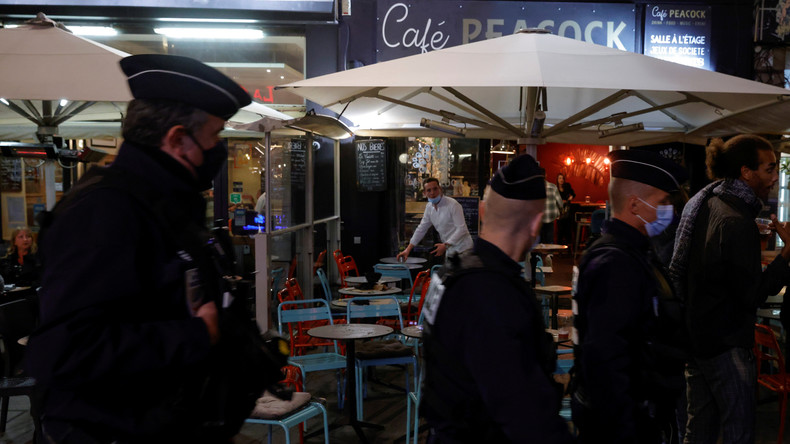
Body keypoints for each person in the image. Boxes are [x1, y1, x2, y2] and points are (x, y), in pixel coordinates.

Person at [25, 54, 268, 443]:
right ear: (176, 139)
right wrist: (196, 334)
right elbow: (63, 351)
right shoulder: (104, 210)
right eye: (214, 136)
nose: (218, 150)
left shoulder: (162, 202)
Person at [421, 154, 574, 443]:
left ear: (481, 210)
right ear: (536, 224)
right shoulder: (493, 294)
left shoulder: (453, 273)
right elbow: (523, 414)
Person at [669, 134, 790, 444]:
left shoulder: (708, 202)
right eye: (769, 169)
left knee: (698, 432)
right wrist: (787, 254)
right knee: (738, 433)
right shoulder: (737, 221)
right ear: (746, 172)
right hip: (727, 345)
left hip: (698, 339)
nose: (775, 178)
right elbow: (752, 295)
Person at [572, 149, 689, 444]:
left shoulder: (630, 253)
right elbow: (606, 358)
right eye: (663, 203)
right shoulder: (616, 263)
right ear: (636, 204)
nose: (668, 211)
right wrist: (626, 429)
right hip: (622, 424)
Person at [397, 177, 473, 260]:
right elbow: (421, 229)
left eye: (435, 189)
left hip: (464, 249)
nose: (432, 192)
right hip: (450, 250)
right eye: (429, 190)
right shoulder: (429, 207)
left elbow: (462, 229)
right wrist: (408, 249)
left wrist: (445, 245)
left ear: (440, 189)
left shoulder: (453, 205)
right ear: (424, 193)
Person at [541, 168, 564, 244]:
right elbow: (560, 203)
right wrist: (561, 210)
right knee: (549, 237)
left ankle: (539, 255)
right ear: (546, 175)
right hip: (551, 216)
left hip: (539, 217)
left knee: (540, 240)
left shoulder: (533, 188)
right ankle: (549, 255)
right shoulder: (553, 187)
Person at [556, 173, 575, 244]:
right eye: (559, 178)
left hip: (567, 210)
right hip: (559, 210)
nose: (561, 180)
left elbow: (573, 194)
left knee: (568, 228)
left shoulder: (567, 186)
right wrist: (561, 202)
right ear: (557, 180)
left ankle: (568, 247)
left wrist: (570, 198)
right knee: (560, 229)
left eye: (562, 178)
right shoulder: (556, 188)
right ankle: (559, 247)